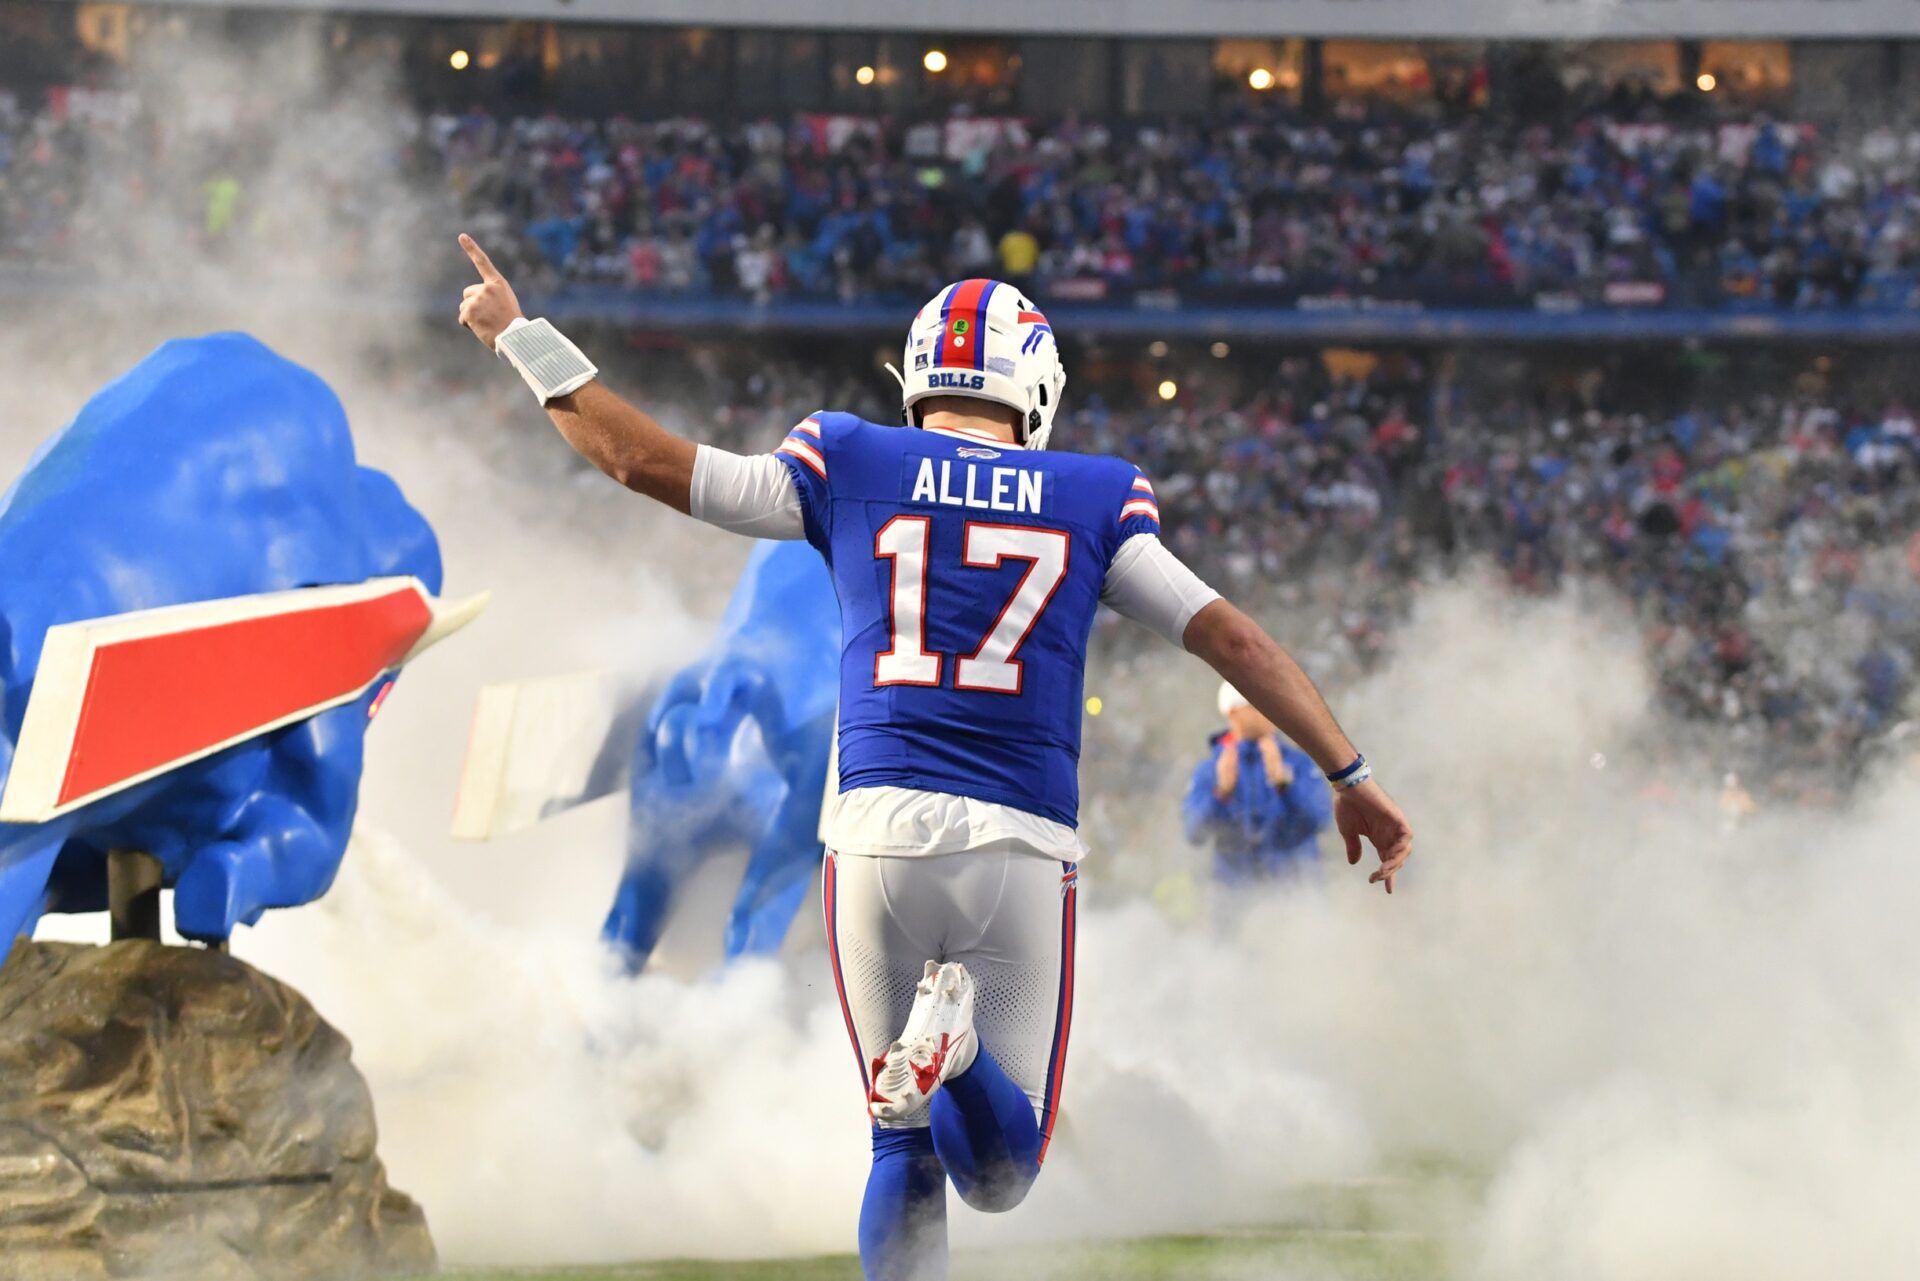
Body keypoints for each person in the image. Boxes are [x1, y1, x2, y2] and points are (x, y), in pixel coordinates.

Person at [454, 237, 1414, 1281]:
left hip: (871, 836)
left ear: (919, 379)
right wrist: (1349, 774)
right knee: (1000, 1172)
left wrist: (520, 336)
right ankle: (954, 1057)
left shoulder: (849, 459)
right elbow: (1232, 640)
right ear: (1033, 389)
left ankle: (936, 1062)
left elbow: (644, 461)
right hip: (1015, 841)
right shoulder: (1093, 495)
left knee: (894, 1143)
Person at [1184, 681, 1333, 885]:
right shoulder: (1211, 769)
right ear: (1233, 712)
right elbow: (1194, 833)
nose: (1269, 710)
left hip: (1297, 897)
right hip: (1235, 904)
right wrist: (1221, 794)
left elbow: (1321, 819)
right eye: (1257, 704)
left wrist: (1285, 785)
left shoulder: (1298, 763)